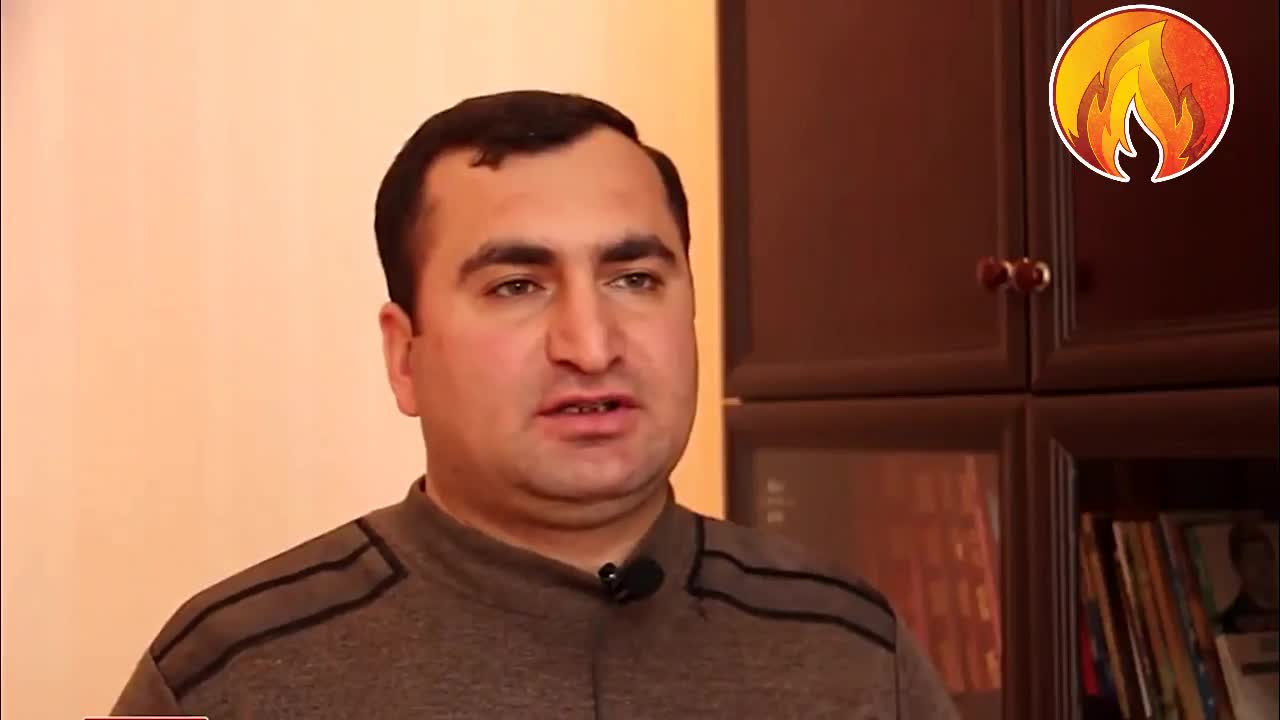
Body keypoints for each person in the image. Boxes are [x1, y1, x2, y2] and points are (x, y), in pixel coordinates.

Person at [111, 90, 959, 719]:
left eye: (635, 279)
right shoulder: (232, 674)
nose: (590, 345)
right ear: (405, 357)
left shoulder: (850, 648)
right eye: (517, 285)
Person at [1217, 521, 1279, 634]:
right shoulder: (1230, 623)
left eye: (1266, 556)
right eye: (1252, 559)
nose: (1262, 565)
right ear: (1238, 567)